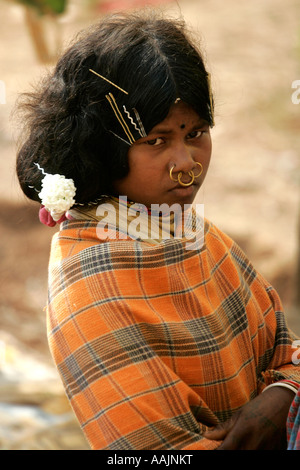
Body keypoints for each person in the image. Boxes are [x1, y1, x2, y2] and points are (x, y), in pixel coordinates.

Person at [16, 10, 300, 450]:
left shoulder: (189, 232)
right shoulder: (89, 290)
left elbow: (286, 353)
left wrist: (283, 396)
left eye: (196, 132)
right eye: (156, 140)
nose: (187, 163)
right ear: (104, 151)